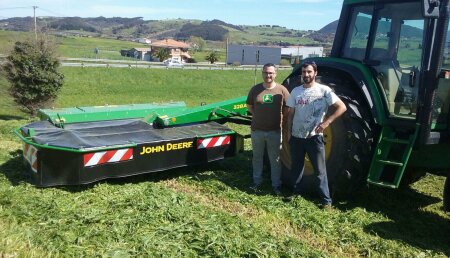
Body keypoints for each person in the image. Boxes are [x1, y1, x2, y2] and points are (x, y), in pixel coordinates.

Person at [286, 61, 347, 207]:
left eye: (309, 72)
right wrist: (289, 132)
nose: (306, 74)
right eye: (304, 72)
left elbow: (342, 107)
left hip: (314, 138)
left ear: (315, 73)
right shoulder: (296, 91)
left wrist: (327, 123)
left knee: (320, 171)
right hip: (296, 137)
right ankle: (295, 193)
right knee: (296, 167)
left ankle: (326, 201)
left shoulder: (323, 90)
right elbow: (290, 114)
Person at [246, 63, 290, 195]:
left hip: (275, 131)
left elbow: (288, 108)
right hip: (257, 131)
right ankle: (256, 182)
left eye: (271, 73)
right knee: (257, 157)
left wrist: (282, 118)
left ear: (275, 74)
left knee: (275, 159)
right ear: (262, 73)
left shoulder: (282, 90)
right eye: (265, 73)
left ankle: (276, 185)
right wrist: (257, 115)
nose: (268, 75)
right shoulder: (255, 89)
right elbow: (249, 105)